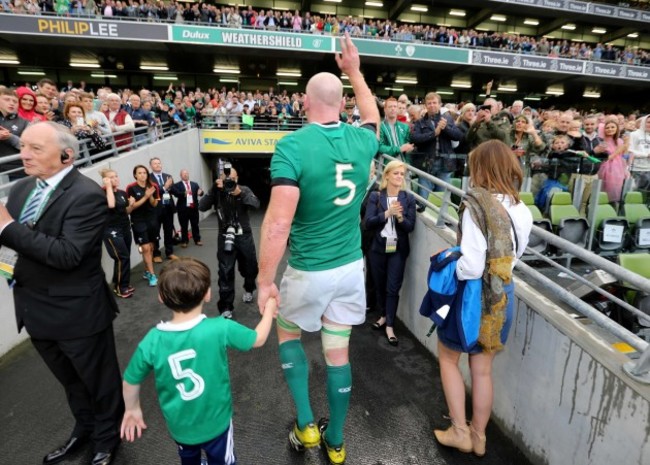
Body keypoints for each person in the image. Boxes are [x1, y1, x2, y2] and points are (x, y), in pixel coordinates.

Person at [256, 33, 380, 465]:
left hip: (308, 270)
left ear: (304, 103)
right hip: (349, 269)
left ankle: (307, 424)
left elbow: (277, 222)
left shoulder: (291, 146)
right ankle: (338, 440)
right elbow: (372, 115)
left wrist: (264, 280)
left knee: (289, 335)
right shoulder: (364, 141)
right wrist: (355, 71)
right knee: (337, 352)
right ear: (342, 104)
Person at [0, 121, 124, 465]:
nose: (22, 154)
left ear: (67, 155)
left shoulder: (87, 195)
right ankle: (83, 430)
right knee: (71, 383)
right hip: (34, 310)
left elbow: (67, 254)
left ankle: (106, 439)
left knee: (99, 383)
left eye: (35, 149)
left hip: (78, 314)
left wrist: (6, 227)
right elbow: (16, 244)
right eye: (23, 146)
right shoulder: (22, 188)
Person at [120, 257, 276, 465]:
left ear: (160, 297)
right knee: (223, 461)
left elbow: (130, 380)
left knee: (189, 457)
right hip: (217, 424)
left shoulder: (152, 340)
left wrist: (132, 409)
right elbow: (258, 339)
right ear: (208, 294)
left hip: (180, 428)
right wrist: (270, 307)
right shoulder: (220, 328)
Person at [434, 140, 532, 457]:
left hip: (472, 296)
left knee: (448, 358)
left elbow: (472, 266)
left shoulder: (475, 205)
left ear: (482, 168)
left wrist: (454, 263)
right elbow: (513, 256)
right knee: (483, 370)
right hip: (503, 294)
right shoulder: (522, 208)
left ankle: (459, 431)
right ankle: (479, 437)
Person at [364, 160, 417, 345]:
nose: (399, 177)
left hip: (398, 249)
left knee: (392, 287)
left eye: (402, 174)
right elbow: (369, 221)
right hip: (378, 248)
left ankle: (390, 325)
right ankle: (383, 315)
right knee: (379, 285)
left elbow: (410, 227)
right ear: (386, 175)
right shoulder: (376, 197)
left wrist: (400, 217)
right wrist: (387, 213)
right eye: (396, 173)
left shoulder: (408, 198)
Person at [199, 164, 259, 319]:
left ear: (237, 179)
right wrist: (213, 189)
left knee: (250, 268)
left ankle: (249, 288)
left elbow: (256, 204)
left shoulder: (244, 189)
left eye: (232, 179)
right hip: (225, 235)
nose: (229, 181)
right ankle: (226, 306)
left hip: (244, 235)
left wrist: (240, 194)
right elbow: (202, 206)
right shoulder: (217, 191)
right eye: (226, 179)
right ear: (220, 179)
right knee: (225, 272)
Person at [101, 168, 135, 298]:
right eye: (111, 177)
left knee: (122, 258)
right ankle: (122, 287)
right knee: (122, 257)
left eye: (116, 176)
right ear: (105, 180)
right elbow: (110, 205)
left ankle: (120, 284)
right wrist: (108, 186)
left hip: (125, 227)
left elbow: (126, 212)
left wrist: (131, 205)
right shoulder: (102, 192)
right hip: (111, 230)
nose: (116, 178)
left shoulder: (122, 193)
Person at [126, 164, 160, 287]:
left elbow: (155, 204)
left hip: (152, 220)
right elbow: (132, 207)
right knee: (145, 248)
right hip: (138, 220)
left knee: (150, 248)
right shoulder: (131, 188)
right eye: (139, 173)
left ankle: (146, 271)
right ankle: (152, 274)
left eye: (144, 173)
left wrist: (150, 196)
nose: (142, 175)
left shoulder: (153, 186)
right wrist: (145, 196)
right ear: (135, 175)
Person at [149, 157, 178, 262]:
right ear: (151, 166)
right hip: (155, 209)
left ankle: (169, 252)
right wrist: (165, 187)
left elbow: (173, 190)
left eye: (159, 163)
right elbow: (153, 192)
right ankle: (156, 254)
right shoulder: (149, 178)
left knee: (168, 231)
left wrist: (184, 193)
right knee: (155, 232)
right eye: (155, 163)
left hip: (168, 208)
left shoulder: (168, 176)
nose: (158, 165)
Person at [597, 116, 630, 207]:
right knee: (606, 191)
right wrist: (621, 148)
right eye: (607, 128)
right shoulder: (602, 141)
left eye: (612, 127)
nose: (610, 129)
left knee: (617, 191)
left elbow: (624, 155)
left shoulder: (619, 141)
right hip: (607, 168)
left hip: (619, 168)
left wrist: (626, 144)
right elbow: (608, 157)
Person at [171, 169, 204, 248]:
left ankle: (197, 240)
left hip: (193, 208)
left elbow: (200, 192)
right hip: (183, 209)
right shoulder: (177, 185)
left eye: (186, 173)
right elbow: (176, 194)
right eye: (183, 174)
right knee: (184, 226)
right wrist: (184, 194)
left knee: (195, 224)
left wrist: (201, 192)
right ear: (181, 176)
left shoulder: (194, 184)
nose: (185, 175)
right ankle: (184, 241)